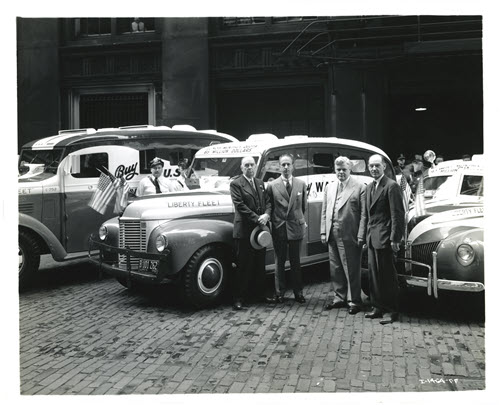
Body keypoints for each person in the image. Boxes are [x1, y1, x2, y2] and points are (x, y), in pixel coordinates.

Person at [320, 156, 367, 314]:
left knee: (351, 268)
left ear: (350, 169)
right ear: (334, 170)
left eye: (344, 169)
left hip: (350, 234)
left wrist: (361, 235)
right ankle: (339, 297)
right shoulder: (330, 187)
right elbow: (324, 211)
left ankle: (354, 300)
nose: (341, 172)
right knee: (335, 267)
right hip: (332, 233)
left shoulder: (360, 187)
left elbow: (364, 215)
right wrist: (323, 231)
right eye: (338, 169)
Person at [230, 156, 275, 310]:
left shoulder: (260, 183)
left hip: (259, 232)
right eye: (246, 165)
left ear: (256, 167)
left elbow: (268, 202)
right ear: (241, 168)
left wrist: (267, 215)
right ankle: (239, 298)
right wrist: (258, 219)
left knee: (259, 264)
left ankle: (259, 295)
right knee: (243, 265)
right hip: (244, 232)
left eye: (252, 165)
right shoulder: (236, 184)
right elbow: (240, 206)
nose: (249, 168)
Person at [365, 154, 405, 324]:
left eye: (377, 166)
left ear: (384, 167)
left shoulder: (391, 186)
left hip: (385, 238)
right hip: (372, 238)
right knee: (374, 275)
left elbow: (397, 214)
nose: (374, 169)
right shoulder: (369, 188)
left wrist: (395, 239)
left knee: (388, 276)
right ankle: (377, 307)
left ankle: (392, 311)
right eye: (371, 166)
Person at [267, 154, 307, 304]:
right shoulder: (272, 185)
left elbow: (303, 206)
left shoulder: (301, 184)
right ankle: (280, 293)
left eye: (288, 164)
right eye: (283, 164)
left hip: (295, 226)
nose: (285, 167)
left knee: (296, 262)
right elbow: (270, 206)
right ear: (279, 166)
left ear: (293, 166)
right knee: (280, 262)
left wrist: (298, 220)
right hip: (280, 228)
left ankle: (298, 293)